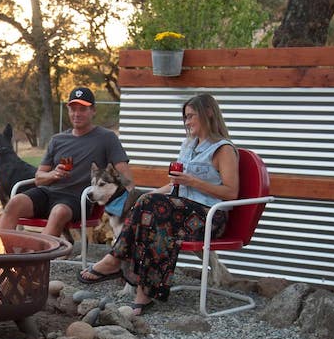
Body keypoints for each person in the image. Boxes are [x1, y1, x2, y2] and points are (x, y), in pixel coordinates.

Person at [78, 93, 239, 316]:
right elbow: (174, 185)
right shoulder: (188, 146)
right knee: (150, 208)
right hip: (178, 214)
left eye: (191, 116)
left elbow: (231, 193)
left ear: (208, 113)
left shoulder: (223, 149)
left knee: (156, 211)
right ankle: (143, 295)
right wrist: (149, 196)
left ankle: (116, 261)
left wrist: (193, 181)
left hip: (208, 217)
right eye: (185, 118)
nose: (187, 122)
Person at [0, 87, 133, 238]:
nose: (76, 114)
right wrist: (53, 174)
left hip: (77, 200)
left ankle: (35, 259)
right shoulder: (57, 140)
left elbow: (124, 174)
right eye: (73, 109)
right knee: (14, 202)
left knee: (59, 211)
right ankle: (5, 257)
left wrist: (132, 204)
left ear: (93, 111)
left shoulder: (107, 138)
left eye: (82, 109)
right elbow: (39, 178)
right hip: (48, 193)